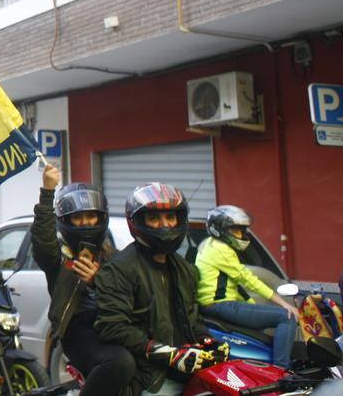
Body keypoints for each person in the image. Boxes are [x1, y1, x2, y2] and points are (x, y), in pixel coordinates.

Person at [95, 183, 226, 395]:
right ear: (137, 222)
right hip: (151, 377)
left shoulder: (185, 269)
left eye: (170, 218)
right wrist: (164, 352)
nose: (165, 225)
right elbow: (112, 327)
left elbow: (192, 319)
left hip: (189, 371)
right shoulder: (119, 269)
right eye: (155, 219)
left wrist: (208, 340)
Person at [31, 163, 134, 394]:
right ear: (66, 220)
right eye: (79, 217)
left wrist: (99, 281)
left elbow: (129, 295)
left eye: (91, 216)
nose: (86, 222)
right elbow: (43, 241)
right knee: (120, 363)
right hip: (79, 332)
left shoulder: (114, 257)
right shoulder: (59, 258)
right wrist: (47, 192)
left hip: (115, 326)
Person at [196, 205, 298, 368]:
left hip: (216, 305)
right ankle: (282, 369)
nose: (240, 235)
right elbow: (247, 279)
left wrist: (252, 305)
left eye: (241, 231)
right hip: (221, 305)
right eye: (235, 230)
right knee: (286, 317)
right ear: (219, 229)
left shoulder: (209, 245)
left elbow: (235, 285)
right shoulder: (221, 249)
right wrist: (284, 304)